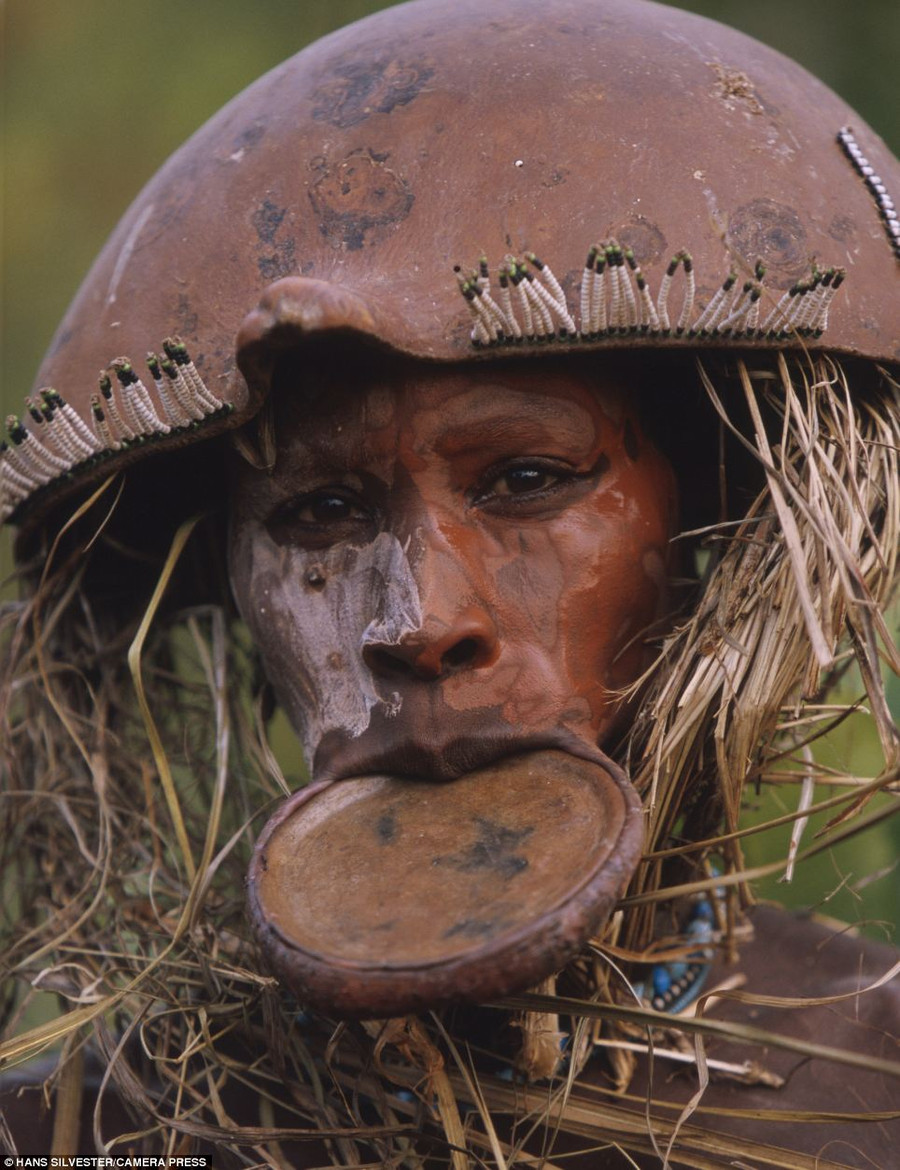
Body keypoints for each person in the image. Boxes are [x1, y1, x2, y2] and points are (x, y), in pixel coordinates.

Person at [1, 0, 897, 1165]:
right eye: (319, 514)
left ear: (711, 525)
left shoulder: (876, 1072)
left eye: (527, 479)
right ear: (223, 575)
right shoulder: (74, 1134)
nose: (417, 621)